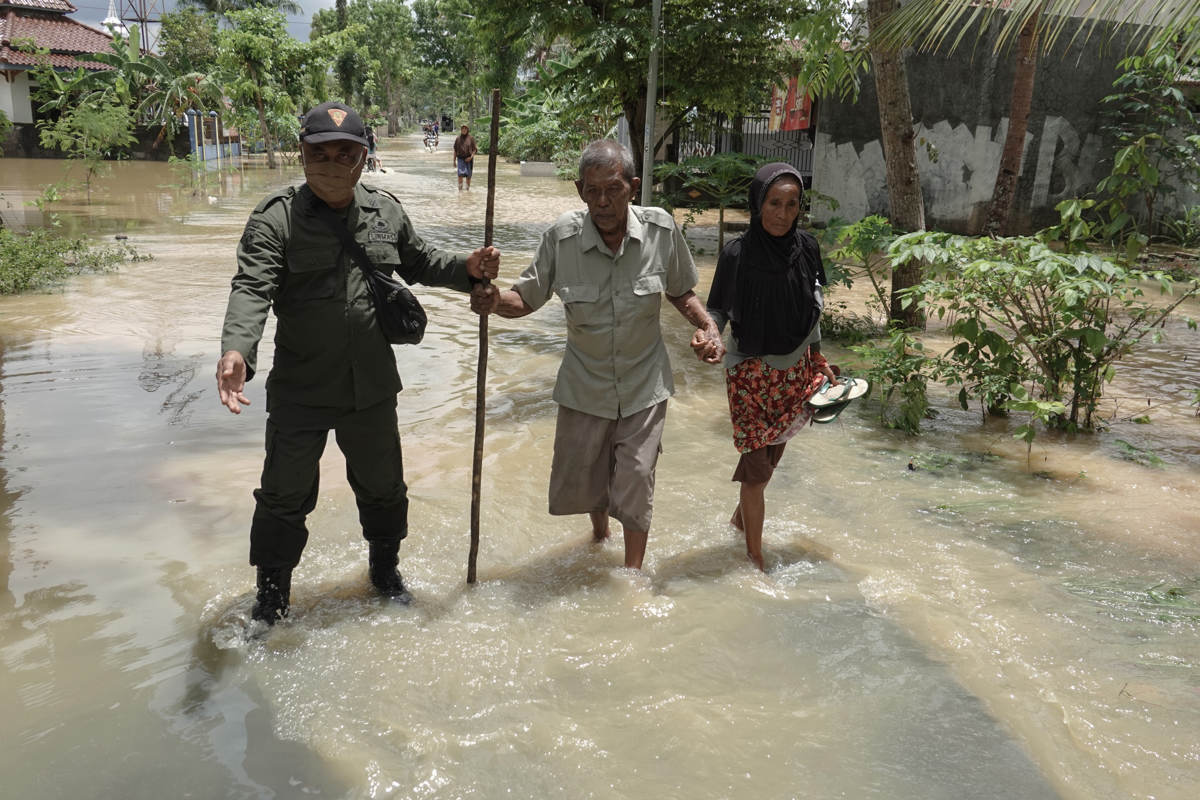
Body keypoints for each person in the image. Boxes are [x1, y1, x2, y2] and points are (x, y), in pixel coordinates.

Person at [217, 101, 500, 625]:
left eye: (344, 152)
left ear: (363, 157)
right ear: (302, 154)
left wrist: (468, 269)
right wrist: (237, 351)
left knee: (384, 488)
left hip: (370, 389)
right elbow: (251, 287)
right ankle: (272, 599)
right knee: (283, 497)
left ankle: (385, 574)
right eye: (319, 152)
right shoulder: (275, 218)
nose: (331, 162)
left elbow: (420, 263)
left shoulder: (384, 211)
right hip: (301, 390)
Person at [470, 139, 724, 569]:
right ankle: (600, 534)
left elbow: (681, 292)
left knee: (638, 476)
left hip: (644, 383)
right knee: (591, 475)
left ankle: (632, 575)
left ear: (633, 186)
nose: (602, 201)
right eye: (592, 191)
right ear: (579, 190)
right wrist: (492, 301)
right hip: (584, 384)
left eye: (613, 190)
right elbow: (525, 299)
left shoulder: (660, 231)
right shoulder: (560, 239)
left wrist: (707, 326)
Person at [704, 162, 840, 571]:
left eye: (791, 204)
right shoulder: (736, 255)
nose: (782, 213)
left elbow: (811, 309)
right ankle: (754, 557)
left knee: (767, 463)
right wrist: (709, 335)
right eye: (773, 203)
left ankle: (737, 523)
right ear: (758, 203)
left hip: (795, 371)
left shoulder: (808, 248)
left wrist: (817, 356)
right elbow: (717, 310)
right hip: (749, 376)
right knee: (757, 472)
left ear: (800, 207)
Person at [453, 124, 477, 190]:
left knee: (468, 176)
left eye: (465, 129)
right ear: (461, 130)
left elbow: (474, 149)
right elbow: (455, 150)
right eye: (462, 129)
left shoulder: (471, 138)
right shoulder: (458, 139)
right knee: (460, 175)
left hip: (469, 159)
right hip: (460, 159)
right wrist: (454, 161)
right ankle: (460, 190)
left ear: (467, 130)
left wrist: (471, 157)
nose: (464, 130)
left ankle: (467, 190)